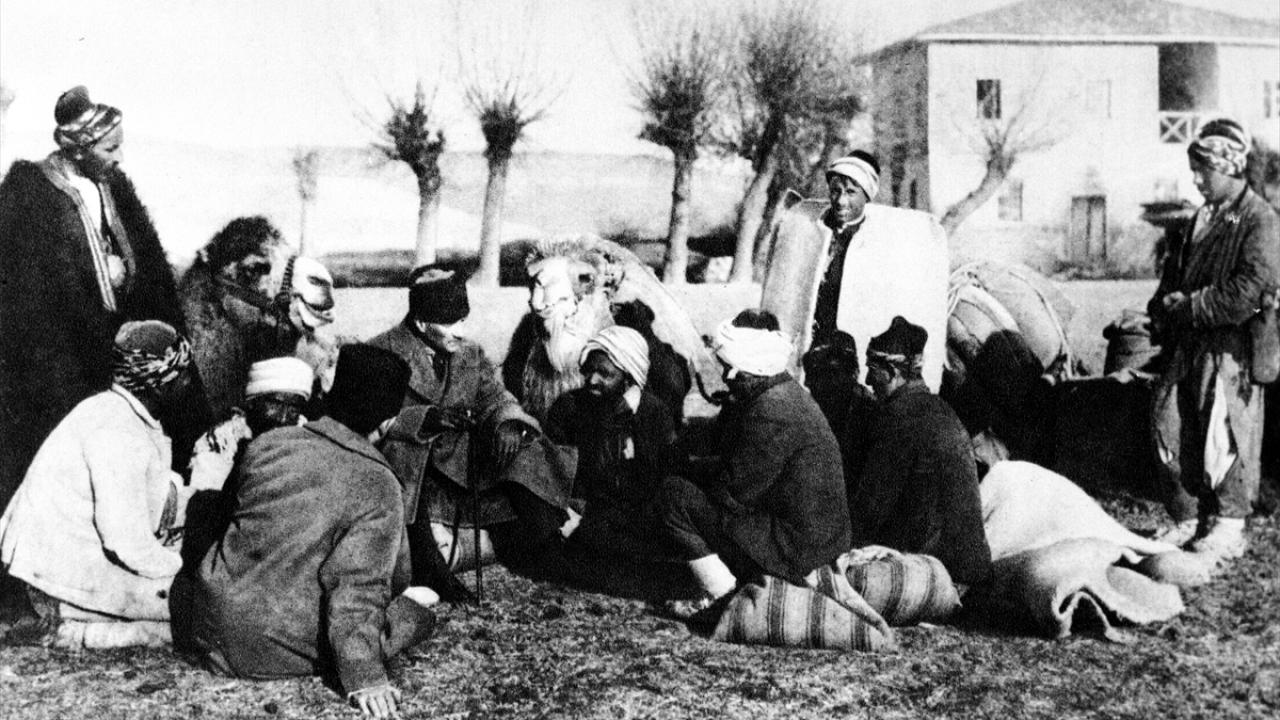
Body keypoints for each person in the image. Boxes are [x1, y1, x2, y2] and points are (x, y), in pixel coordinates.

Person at [184, 345, 437, 720]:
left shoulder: (267, 444)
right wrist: (365, 677)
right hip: (267, 649)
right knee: (415, 616)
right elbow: (359, 590)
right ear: (388, 423)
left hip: (208, 628)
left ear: (331, 394)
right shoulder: (380, 484)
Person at [0, 86, 199, 512]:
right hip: (65, 362)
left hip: (123, 349)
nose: (119, 157)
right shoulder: (31, 196)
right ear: (80, 148)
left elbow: (148, 273)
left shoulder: (114, 187)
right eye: (111, 148)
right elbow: (33, 297)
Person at [0, 321, 201, 649]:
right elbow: (127, 543)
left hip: (52, 564)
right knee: (197, 603)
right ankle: (70, 631)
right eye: (185, 375)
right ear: (159, 384)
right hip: (50, 581)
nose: (190, 383)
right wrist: (185, 565)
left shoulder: (110, 409)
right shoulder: (118, 430)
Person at [371, 266, 576, 587]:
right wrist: (425, 419)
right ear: (421, 323)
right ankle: (432, 567)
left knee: (525, 446)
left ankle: (550, 541)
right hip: (415, 462)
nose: (460, 332)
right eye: (450, 323)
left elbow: (495, 396)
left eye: (463, 321)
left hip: (462, 460)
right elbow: (369, 419)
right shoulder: (380, 352)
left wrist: (508, 421)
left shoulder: (470, 353)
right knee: (405, 460)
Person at [1148, 118, 1280, 562]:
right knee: (1171, 421)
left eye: (1203, 170)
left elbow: (1251, 290)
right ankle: (1187, 515)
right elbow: (1172, 277)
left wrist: (1190, 306)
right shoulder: (1199, 220)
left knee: (1224, 429)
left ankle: (1228, 523)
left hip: (1231, 348)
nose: (1196, 179)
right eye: (1195, 170)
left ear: (1229, 167)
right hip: (1188, 343)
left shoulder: (1258, 219)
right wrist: (1162, 305)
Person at [660, 310, 851, 615]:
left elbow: (733, 495)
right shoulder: (786, 393)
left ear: (750, 370)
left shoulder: (771, 410)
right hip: (815, 543)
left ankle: (719, 595)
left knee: (674, 495)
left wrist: (688, 469)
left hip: (798, 552)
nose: (727, 377)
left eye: (732, 370)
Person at [847, 316, 993, 593]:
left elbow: (869, 511)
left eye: (873, 370)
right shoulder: (936, 409)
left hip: (942, 576)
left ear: (893, 371)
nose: (867, 380)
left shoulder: (901, 419)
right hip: (966, 571)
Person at [790, 151, 949, 394]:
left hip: (846, 353)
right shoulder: (816, 233)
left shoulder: (878, 243)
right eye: (835, 191)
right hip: (815, 345)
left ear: (866, 195)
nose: (841, 200)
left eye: (851, 192)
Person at [545, 326, 681, 565]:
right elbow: (554, 469)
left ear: (628, 377)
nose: (592, 380)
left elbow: (669, 472)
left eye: (605, 374)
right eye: (589, 371)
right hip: (585, 510)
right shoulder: (569, 408)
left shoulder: (655, 413)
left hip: (637, 515)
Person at [181, 356, 317, 568]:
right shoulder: (222, 442)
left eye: (293, 408)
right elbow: (204, 512)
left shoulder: (306, 441)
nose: (283, 418)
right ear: (253, 403)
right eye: (275, 404)